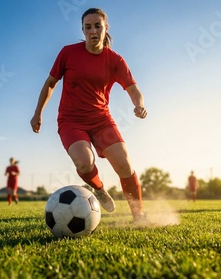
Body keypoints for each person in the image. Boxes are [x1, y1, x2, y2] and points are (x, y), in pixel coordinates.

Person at [30, 8, 148, 222]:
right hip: (71, 121)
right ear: (83, 30)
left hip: (101, 121)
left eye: (97, 26)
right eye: (88, 27)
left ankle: (139, 215)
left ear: (106, 28)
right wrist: (38, 113)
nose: (93, 31)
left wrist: (139, 105)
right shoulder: (68, 52)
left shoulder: (115, 60)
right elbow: (50, 84)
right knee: (84, 162)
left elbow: (133, 89)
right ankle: (99, 188)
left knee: (124, 165)